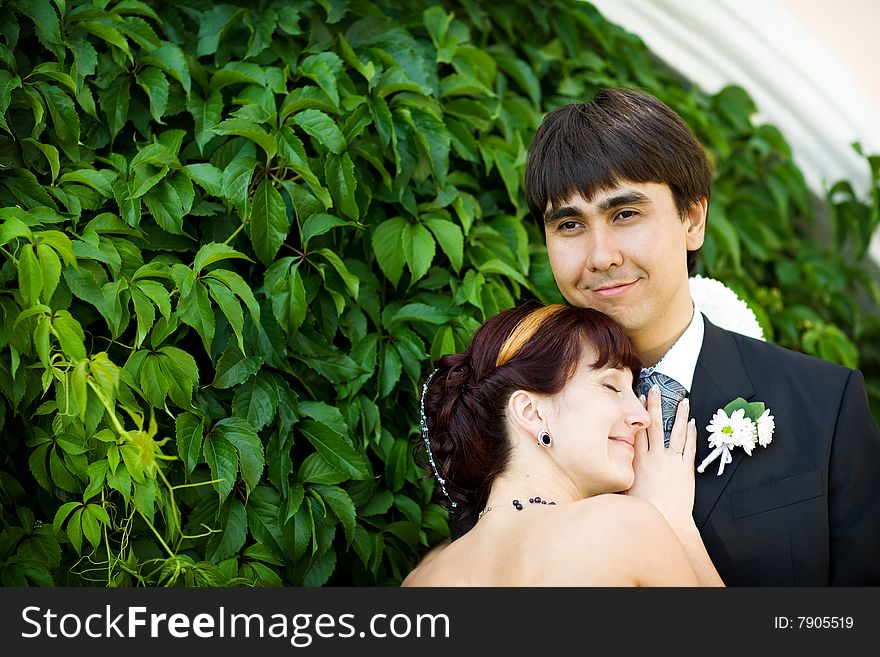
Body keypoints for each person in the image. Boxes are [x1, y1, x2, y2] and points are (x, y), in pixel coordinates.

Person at [516, 87, 880, 585]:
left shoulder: (824, 406)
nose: (600, 256)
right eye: (570, 224)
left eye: (625, 214)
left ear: (692, 220)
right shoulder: (516, 404)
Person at [402, 302, 723, 586]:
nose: (642, 416)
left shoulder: (424, 577)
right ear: (531, 412)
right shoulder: (622, 526)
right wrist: (674, 520)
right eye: (611, 386)